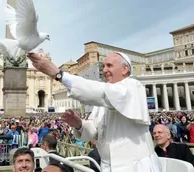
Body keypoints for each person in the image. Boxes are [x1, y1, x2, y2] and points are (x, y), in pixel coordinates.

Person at [28, 52, 162, 172]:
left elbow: (102, 93)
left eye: (109, 65)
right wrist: (79, 124)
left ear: (125, 69)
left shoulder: (133, 86)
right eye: (103, 66)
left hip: (136, 167)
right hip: (108, 167)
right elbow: (91, 132)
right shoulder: (103, 100)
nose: (104, 70)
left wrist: (59, 75)